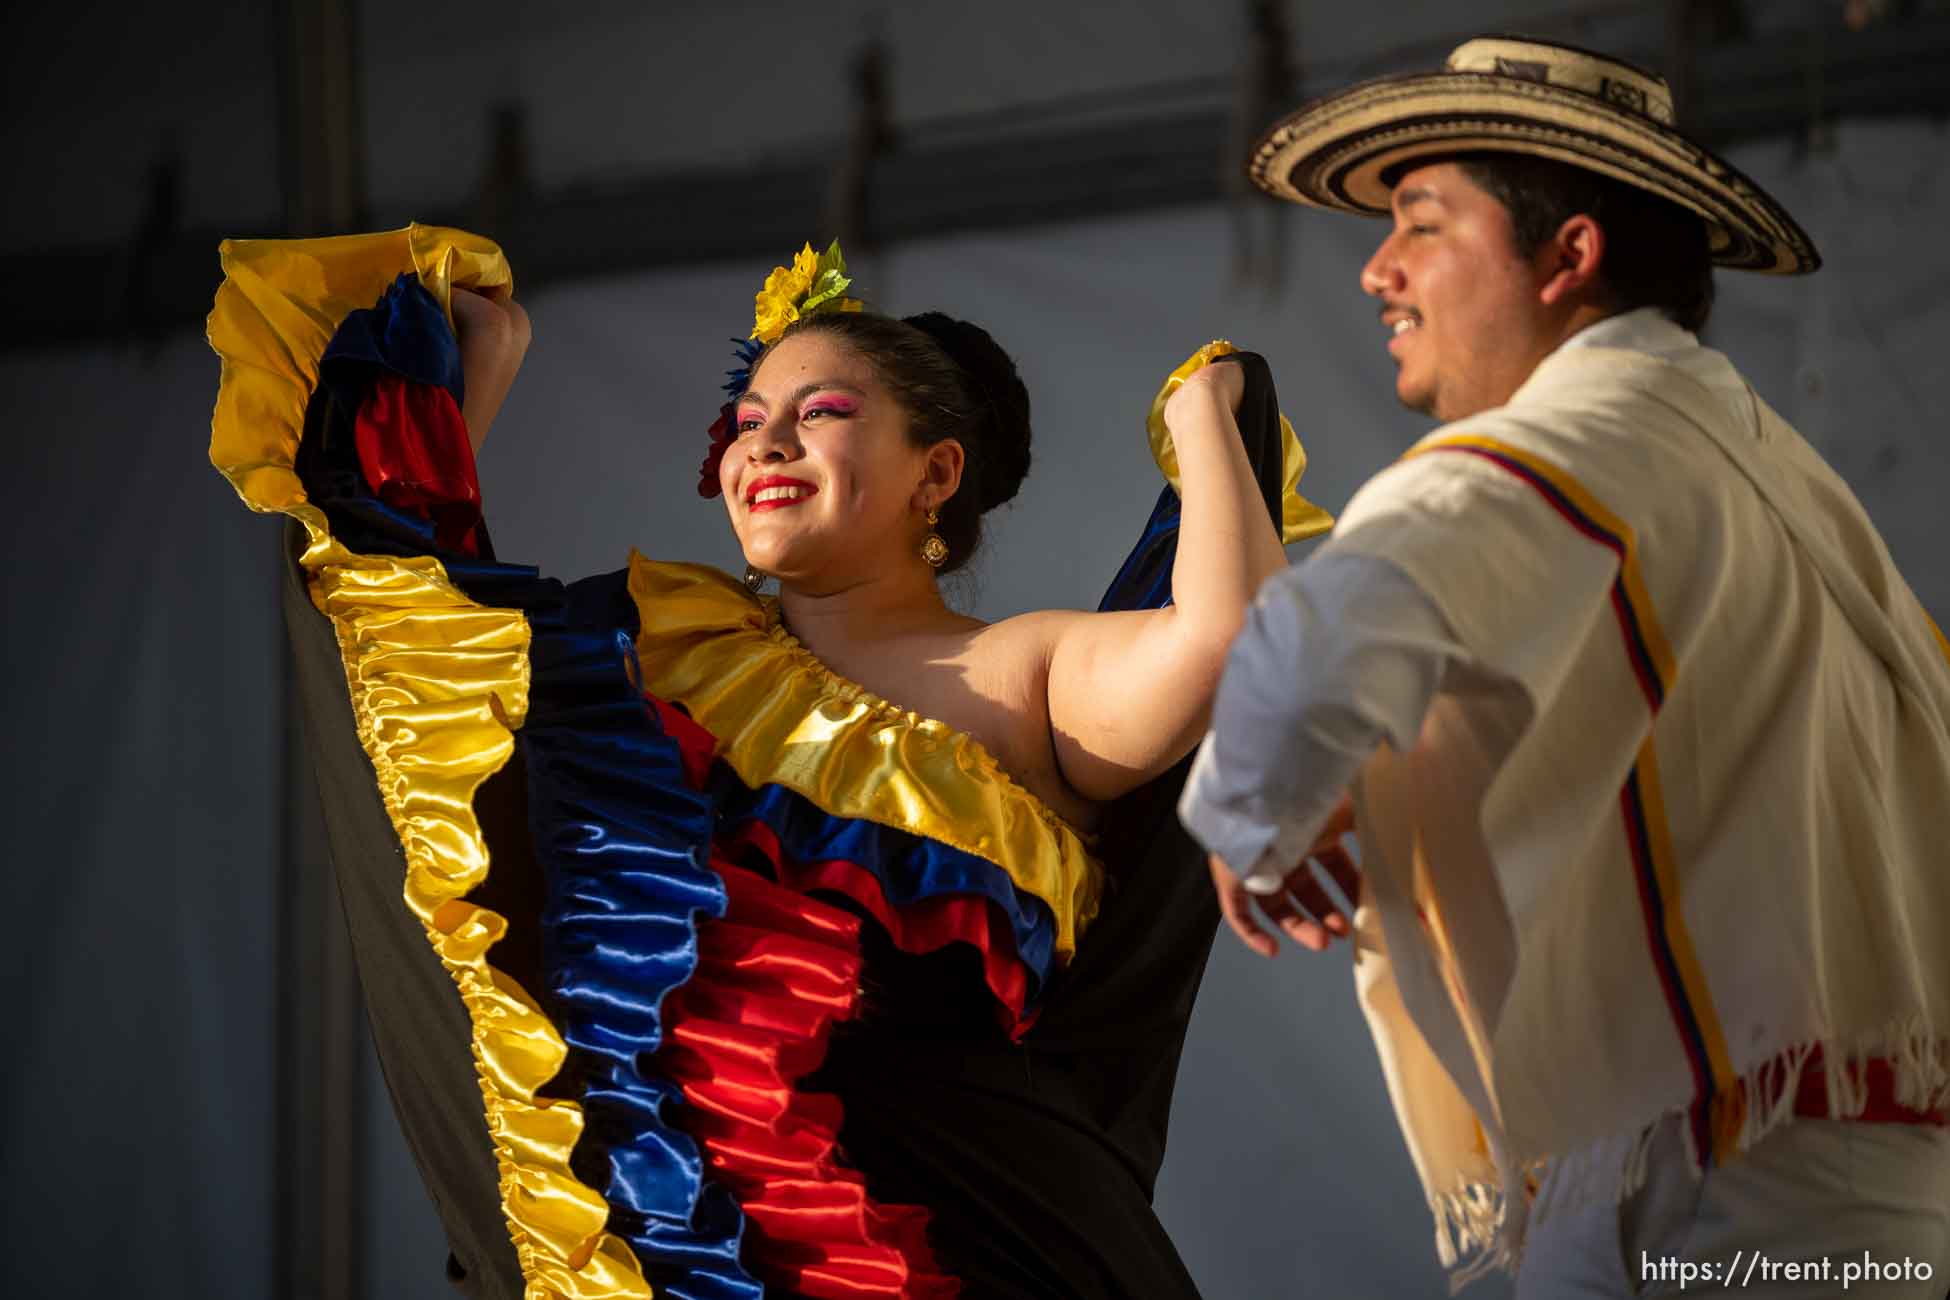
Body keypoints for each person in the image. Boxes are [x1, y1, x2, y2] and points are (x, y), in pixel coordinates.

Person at [207, 231, 1331, 1298]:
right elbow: (431, 694)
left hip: (973, 1251)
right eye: (748, 420)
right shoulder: (655, 664)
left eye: (821, 412)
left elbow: (1232, 641)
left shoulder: (1021, 672)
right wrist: (455, 379)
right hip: (658, 1256)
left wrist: (1206, 402)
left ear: (935, 473)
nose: (765, 445)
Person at [1178, 35, 1950, 1298]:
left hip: (1720, 1186)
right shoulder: (1768, 464)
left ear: (1568, 254)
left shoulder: (1588, 435)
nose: (1378, 269)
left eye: (1421, 223)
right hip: (1847, 1168)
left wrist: (1255, 821)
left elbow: (1312, 648)